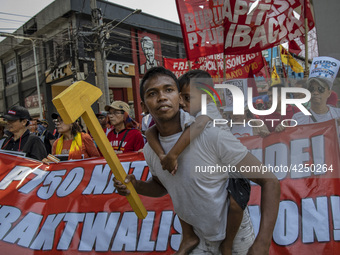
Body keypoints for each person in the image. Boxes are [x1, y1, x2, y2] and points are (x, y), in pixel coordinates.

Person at [114, 67, 280, 255]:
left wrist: (262, 243)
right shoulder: (150, 150)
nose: (162, 97)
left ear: (179, 97)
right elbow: (163, 185)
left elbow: (270, 181)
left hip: (237, 240)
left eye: (168, 90)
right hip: (198, 240)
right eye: (153, 93)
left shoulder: (211, 134)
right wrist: (137, 186)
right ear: (143, 106)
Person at [145, 69, 262, 255]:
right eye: (181, 97)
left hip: (229, 170)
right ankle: (188, 235)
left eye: (186, 97)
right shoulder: (188, 113)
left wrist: (173, 154)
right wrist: (161, 156)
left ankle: (228, 242)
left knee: (234, 205)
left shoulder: (207, 111)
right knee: (182, 190)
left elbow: (198, 127)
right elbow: (150, 132)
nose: (182, 102)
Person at [291, 56, 340, 126]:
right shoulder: (297, 119)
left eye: (321, 89)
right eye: (312, 89)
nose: (315, 92)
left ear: (329, 93)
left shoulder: (338, 115)